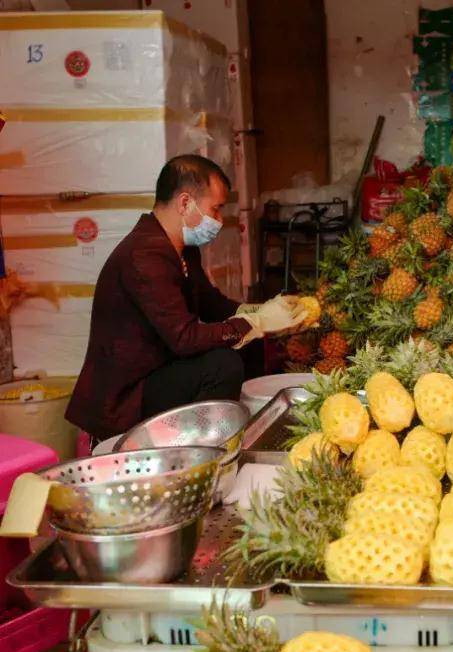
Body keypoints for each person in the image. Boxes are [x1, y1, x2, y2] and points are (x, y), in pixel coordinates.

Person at [67, 155, 307, 441]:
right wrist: (257, 322)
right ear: (184, 203)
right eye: (215, 210)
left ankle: (243, 429)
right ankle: (205, 449)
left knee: (247, 343)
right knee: (222, 364)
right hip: (127, 395)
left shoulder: (182, 249)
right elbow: (186, 339)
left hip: (160, 371)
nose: (219, 221)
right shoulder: (144, 255)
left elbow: (212, 304)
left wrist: (267, 312)